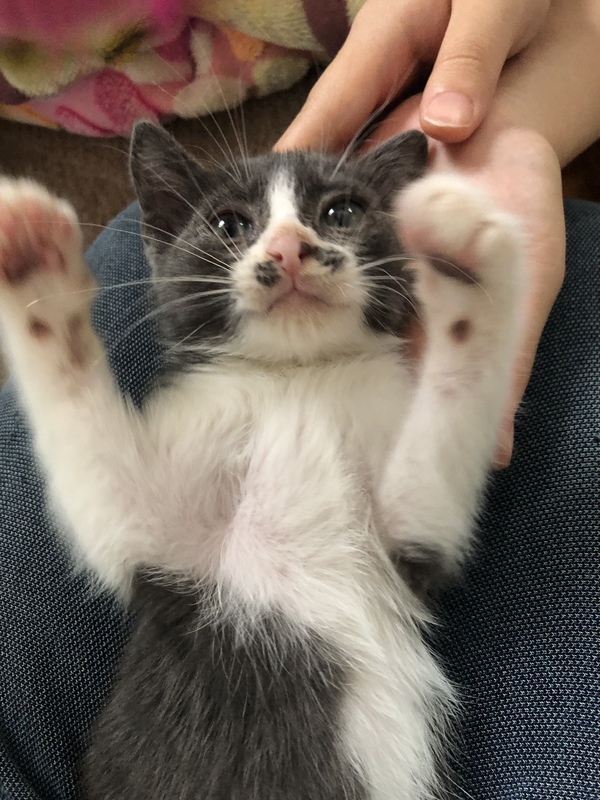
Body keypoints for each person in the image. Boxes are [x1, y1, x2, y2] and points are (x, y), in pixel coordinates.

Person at [0, 0, 598, 797]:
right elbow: (136, 531)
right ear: (167, 248)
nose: (287, 244)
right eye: (231, 225)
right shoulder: (207, 399)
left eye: (338, 213)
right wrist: (61, 355)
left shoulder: (379, 382)